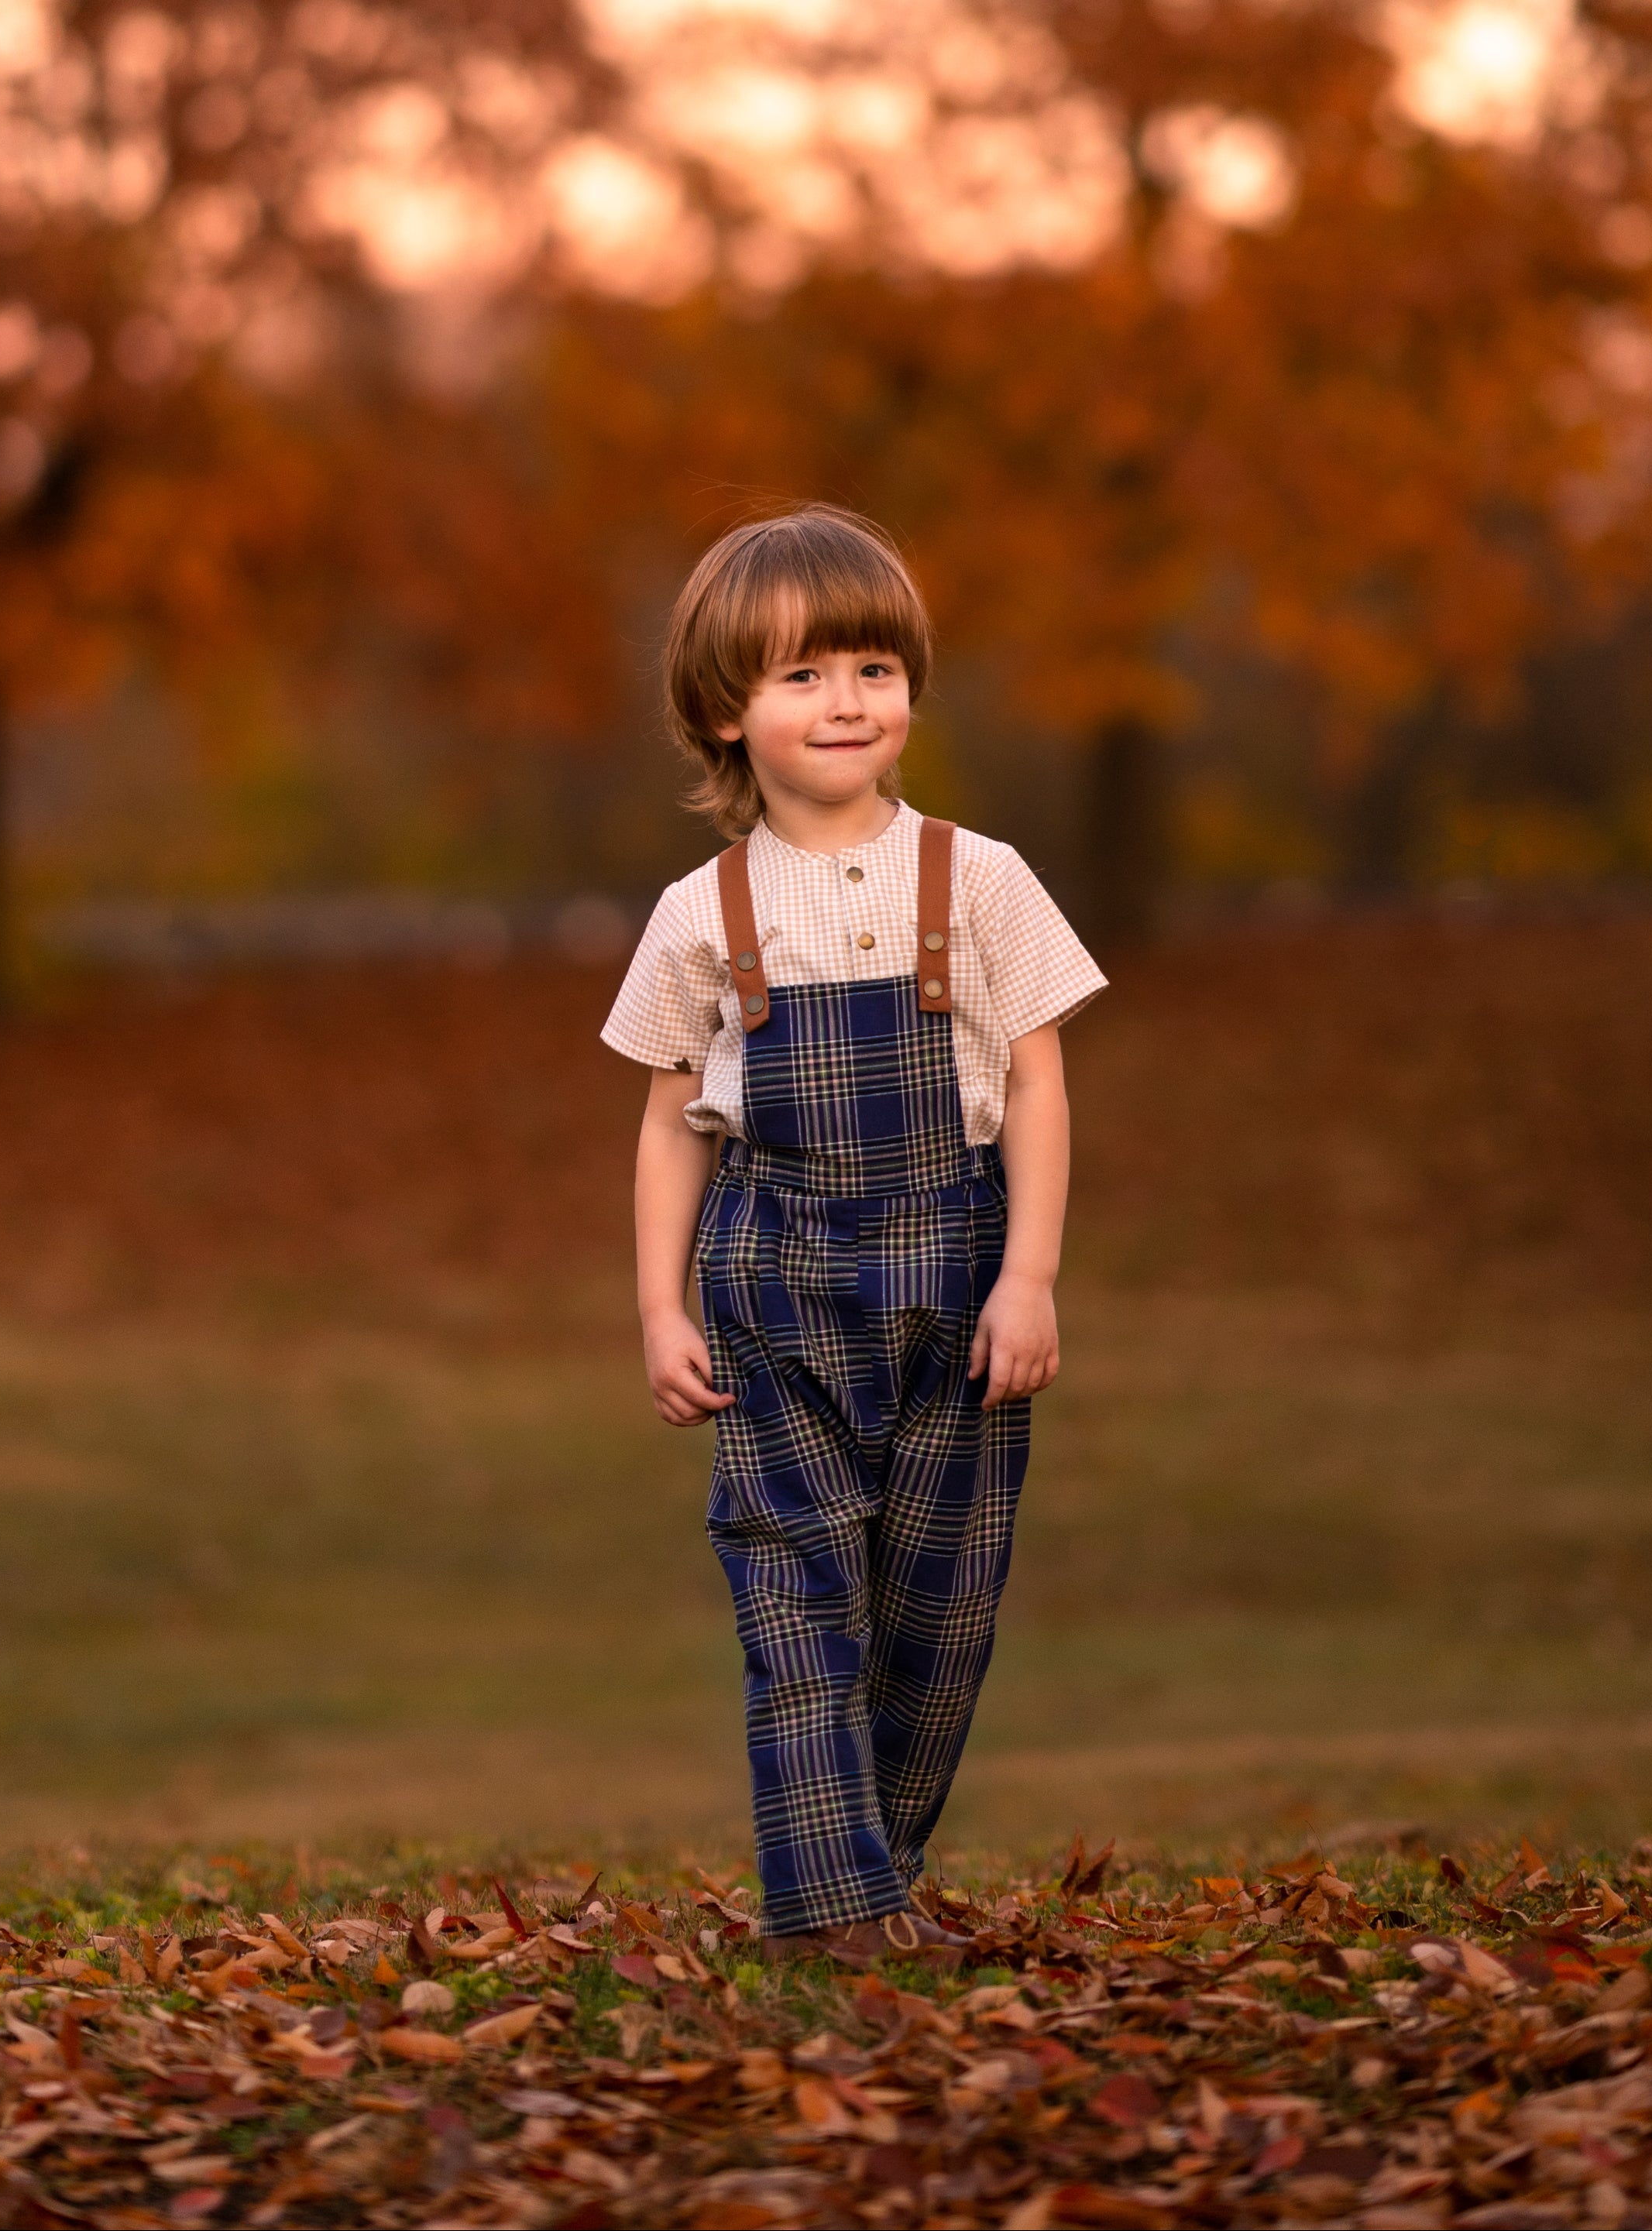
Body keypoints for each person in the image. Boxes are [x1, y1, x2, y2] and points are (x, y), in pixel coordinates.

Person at [601, 506, 1106, 1961]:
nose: (845, 702)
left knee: (941, 1614)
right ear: (726, 710)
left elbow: (1038, 1087)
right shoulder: (701, 912)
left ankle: (866, 1873)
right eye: (803, 674)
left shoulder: (983, 878)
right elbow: (668, 1122)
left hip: (959, 1283)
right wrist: (660, 1307)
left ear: (910, 690)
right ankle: (830, 1914)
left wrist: (1029, 1275)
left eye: (873, 669)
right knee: (796, 1588)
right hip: (775, 1291)